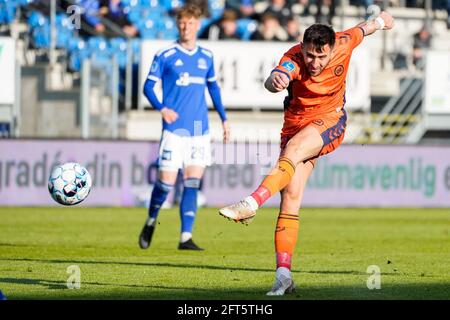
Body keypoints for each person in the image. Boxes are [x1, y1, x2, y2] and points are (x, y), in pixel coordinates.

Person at [219, 11, 394, 295]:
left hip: (330, 119)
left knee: (295, 149)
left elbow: (365, 27)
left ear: (332, 48)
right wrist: (274, 81)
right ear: (302, 48)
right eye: (310, 55)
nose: (314, 63)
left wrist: (383, 21)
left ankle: (251, 203)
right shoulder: (294, 58)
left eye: (321, 57)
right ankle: (283, 275)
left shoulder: (344, 42)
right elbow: (277, 75)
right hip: (294, 126)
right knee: (290, 198)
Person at [139, 5, 230, 251]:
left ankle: (185, 237)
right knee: (166, 184)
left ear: (198, 25)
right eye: (182, 23)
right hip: (174, 130)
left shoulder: (206, 56)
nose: (185, 27)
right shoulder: (165, 54)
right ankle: (150, 220)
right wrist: (161, 108)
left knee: (192, 182)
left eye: (190, 23)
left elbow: (213, 89)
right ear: (177, 24)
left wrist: (224, 118)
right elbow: (148, 87)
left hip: (199, 129)